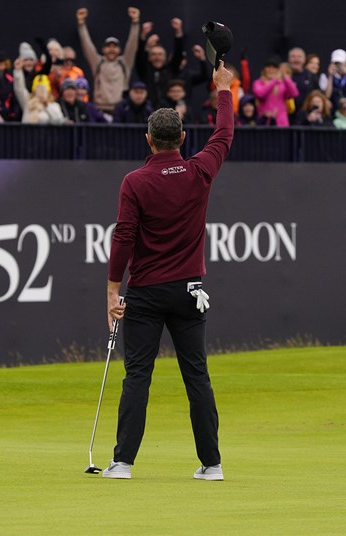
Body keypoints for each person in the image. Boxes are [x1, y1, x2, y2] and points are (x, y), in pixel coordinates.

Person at [102, 60, 235, 481]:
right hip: (190, 290)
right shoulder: (198, 170)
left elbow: (124, 237)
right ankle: (211, 465)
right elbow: (224, 134)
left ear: (148, 139)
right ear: (181, 137)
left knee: (138, 374)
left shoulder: (135, 181)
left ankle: (122, 463)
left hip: (145, 291)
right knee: (196, 374)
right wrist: (224, 90)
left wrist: (111, 290)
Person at [76, 6, 140, 115]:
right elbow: (87, 45)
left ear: (120, 50)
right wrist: (81, 24)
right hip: (100, 110)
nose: (111, 49)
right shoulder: (98, 63)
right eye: (108, 46)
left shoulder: (125, 63)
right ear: (103, 49)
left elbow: (132, 44)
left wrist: (135, 23)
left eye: (115, 46)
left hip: (120, 110)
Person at [135, 18, 185, 108]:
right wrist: (143, 36)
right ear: (149, 57)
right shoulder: (145, 70)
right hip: (148, 112)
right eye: (153, 54)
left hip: (169, 111)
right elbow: (139, 56)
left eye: (160, 54)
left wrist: (178, 31)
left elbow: (178, 53)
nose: (157, 57)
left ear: (165, 57)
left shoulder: (171, 69)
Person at [253, 56, 299, 127]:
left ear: (278, 70)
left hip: (281, 123)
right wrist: (274, 81)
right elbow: (260, 94)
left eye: (274, 67)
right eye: (268, 67)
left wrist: (285, 77)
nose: (271, 70)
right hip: (264, 122)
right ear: (264, 69)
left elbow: (294, 93)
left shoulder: (282, 84)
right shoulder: (258, 83)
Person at [287, 47, 316, 122]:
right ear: (289, 60)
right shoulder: (283, 76)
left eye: (299, 57)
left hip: (306, 118)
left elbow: (317, 95)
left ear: (304, 60)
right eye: (293, 56)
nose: (296, 59)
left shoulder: (311, 76)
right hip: (287, 117)